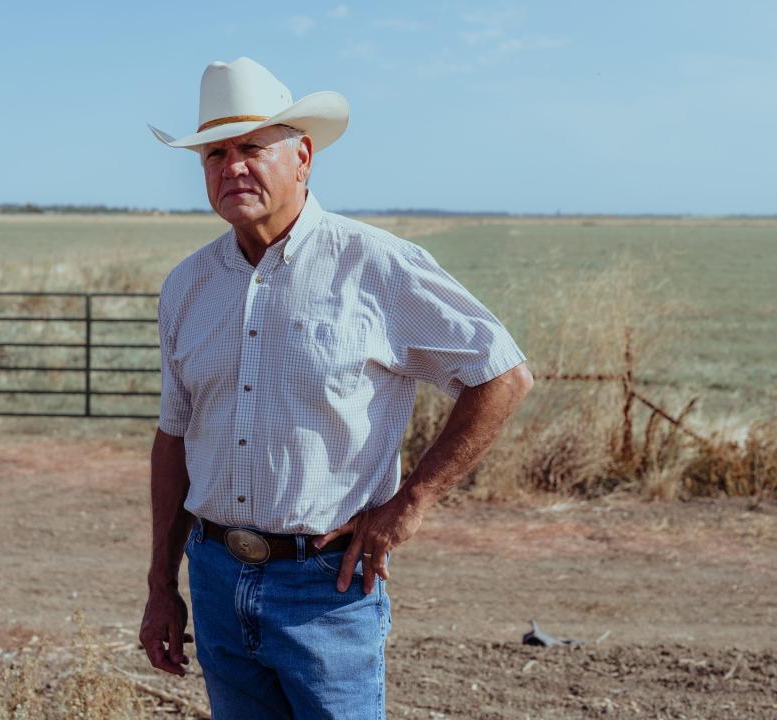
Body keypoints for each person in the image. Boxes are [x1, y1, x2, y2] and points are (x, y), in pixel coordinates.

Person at [140, 57, 533, 719]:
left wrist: (414, 500)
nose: (231, 167)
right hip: (213, 575)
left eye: (251, 149)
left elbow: (502, 375)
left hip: (327, 582)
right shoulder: (189, 285)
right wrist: (160, 584)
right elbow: (174, 436)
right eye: (214, 154)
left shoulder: (375, 264)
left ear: (302, 157)